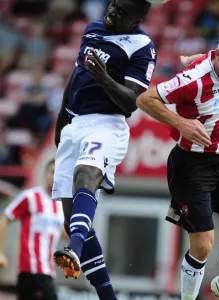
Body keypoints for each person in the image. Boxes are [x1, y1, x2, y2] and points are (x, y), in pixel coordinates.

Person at [136, 31, 219, 300]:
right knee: (202, 246)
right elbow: (144, 99)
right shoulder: (193, 81)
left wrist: (195, 57)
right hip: (192, 165)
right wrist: (181, 123)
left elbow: (210, 57)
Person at [52, 0, 157, 299]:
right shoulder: (93, 28)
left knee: (87, 175)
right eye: (113, 4)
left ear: (137, 17)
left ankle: (73, 248)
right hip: (75, 123)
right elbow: (74, 76)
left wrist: (104, 78)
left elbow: (130, 102)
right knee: (70, 218)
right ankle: (107, 296)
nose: (112, 11)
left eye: (122, 11)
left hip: (107, 124)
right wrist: (61, 120)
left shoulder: (142, 46)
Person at [0, 160, 66, 300]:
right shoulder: (30, 197)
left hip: (48, 271)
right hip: (30, 270)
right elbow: (5, 218)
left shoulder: (61, 206)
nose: (54, 177)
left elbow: (64, 234)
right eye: (52, 172)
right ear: (45, 174)